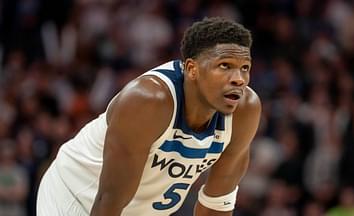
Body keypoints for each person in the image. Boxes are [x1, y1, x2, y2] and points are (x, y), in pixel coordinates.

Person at [36, 17, 262, 216]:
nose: (239, 79)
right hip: (77, 198)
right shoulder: (149, 101)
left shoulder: (245, 110)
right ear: (192, 69)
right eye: (225, 66)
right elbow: (109, 200)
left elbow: (218, 202)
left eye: (244, 68)